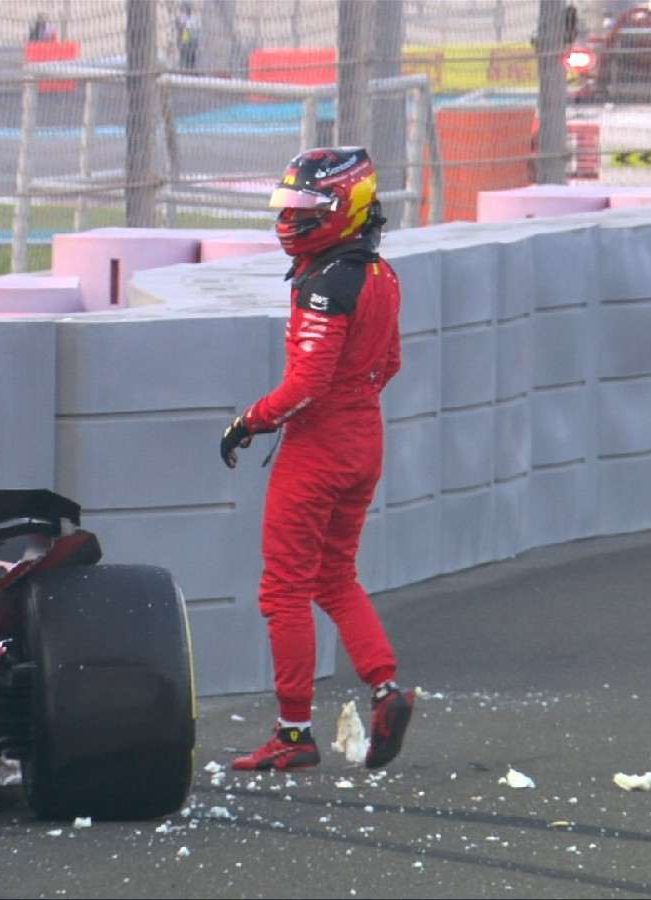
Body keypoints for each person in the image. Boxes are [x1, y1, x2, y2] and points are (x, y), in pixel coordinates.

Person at [219, 147, 415, 771]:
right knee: (336, 577)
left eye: (308, 207)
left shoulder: (325, 281)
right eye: (291, 205)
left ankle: (295, 733)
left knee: (284, 591)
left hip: (319, 448)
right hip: (365, 440)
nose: (292, 219)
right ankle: (385, 690)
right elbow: (391, 366)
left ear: (344, 210)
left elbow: (305, 384)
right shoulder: (382, 275)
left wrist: (247, 421)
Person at [175, 2, 200, 71]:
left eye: (186, 9)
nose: (184, 11)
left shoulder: (193, 19)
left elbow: (195, 31)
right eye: (183, 9)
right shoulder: (181, 17)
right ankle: (184, 71)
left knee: (190, 60)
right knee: (184, 59)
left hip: (191, 43)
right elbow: (179, 26)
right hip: (184, 42)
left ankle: (189, 71)